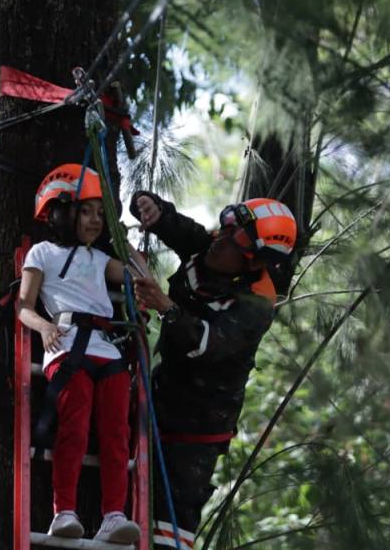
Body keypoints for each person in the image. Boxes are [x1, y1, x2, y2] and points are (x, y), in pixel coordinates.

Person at [129, 192, 297, 550]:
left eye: (233, 239)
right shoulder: (205, 245)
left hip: (199, 425)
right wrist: (148, 207)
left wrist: (166, 307)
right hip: (162, 395)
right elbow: (167, 219)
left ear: (253, 261)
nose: (220, 239)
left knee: (171, 521)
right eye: (227, 228)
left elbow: (207, 345)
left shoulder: (256, 304)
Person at [18, 163, 149, 544]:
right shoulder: (41, 253)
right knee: (73, 429)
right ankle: (64, 511)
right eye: (86, 212)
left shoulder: (98, 259)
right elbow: (23, 306)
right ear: (61, 214)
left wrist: (122, 238)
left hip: (107, 351)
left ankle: (113, 515)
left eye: (99, 215)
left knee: (116, 434)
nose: (95, 221)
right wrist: (44, 327)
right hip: (67, 346)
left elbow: (139, 276)